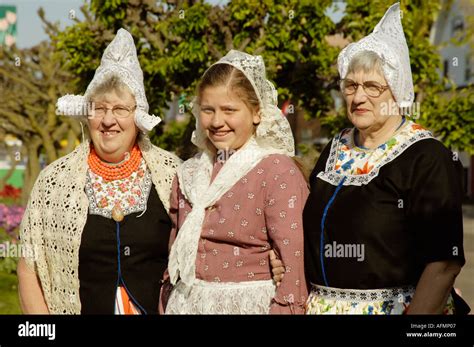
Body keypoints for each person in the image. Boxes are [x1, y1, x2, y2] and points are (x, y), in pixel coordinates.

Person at [302, 3, 467, 314]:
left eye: (373, 87)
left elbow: (444, 261)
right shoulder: (335, 147)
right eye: (350, 85)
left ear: (397, 91)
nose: (358, 96)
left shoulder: (426, 156)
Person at [17, 29, 181, 314]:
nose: (108, 120)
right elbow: (29, 268)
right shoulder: (54, 182)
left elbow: (206, 250)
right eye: (99, 108)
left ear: (138, 115)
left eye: (120, 109)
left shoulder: (173, 174)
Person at [163, 50, 309, 314]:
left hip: (249, 305)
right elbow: (175, 251)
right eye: (209, 110)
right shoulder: (188, 174)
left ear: (256, 113)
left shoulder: (276, 171)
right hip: (187, 304)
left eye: (229, 110)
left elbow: (293, 261)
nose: (217, 121)